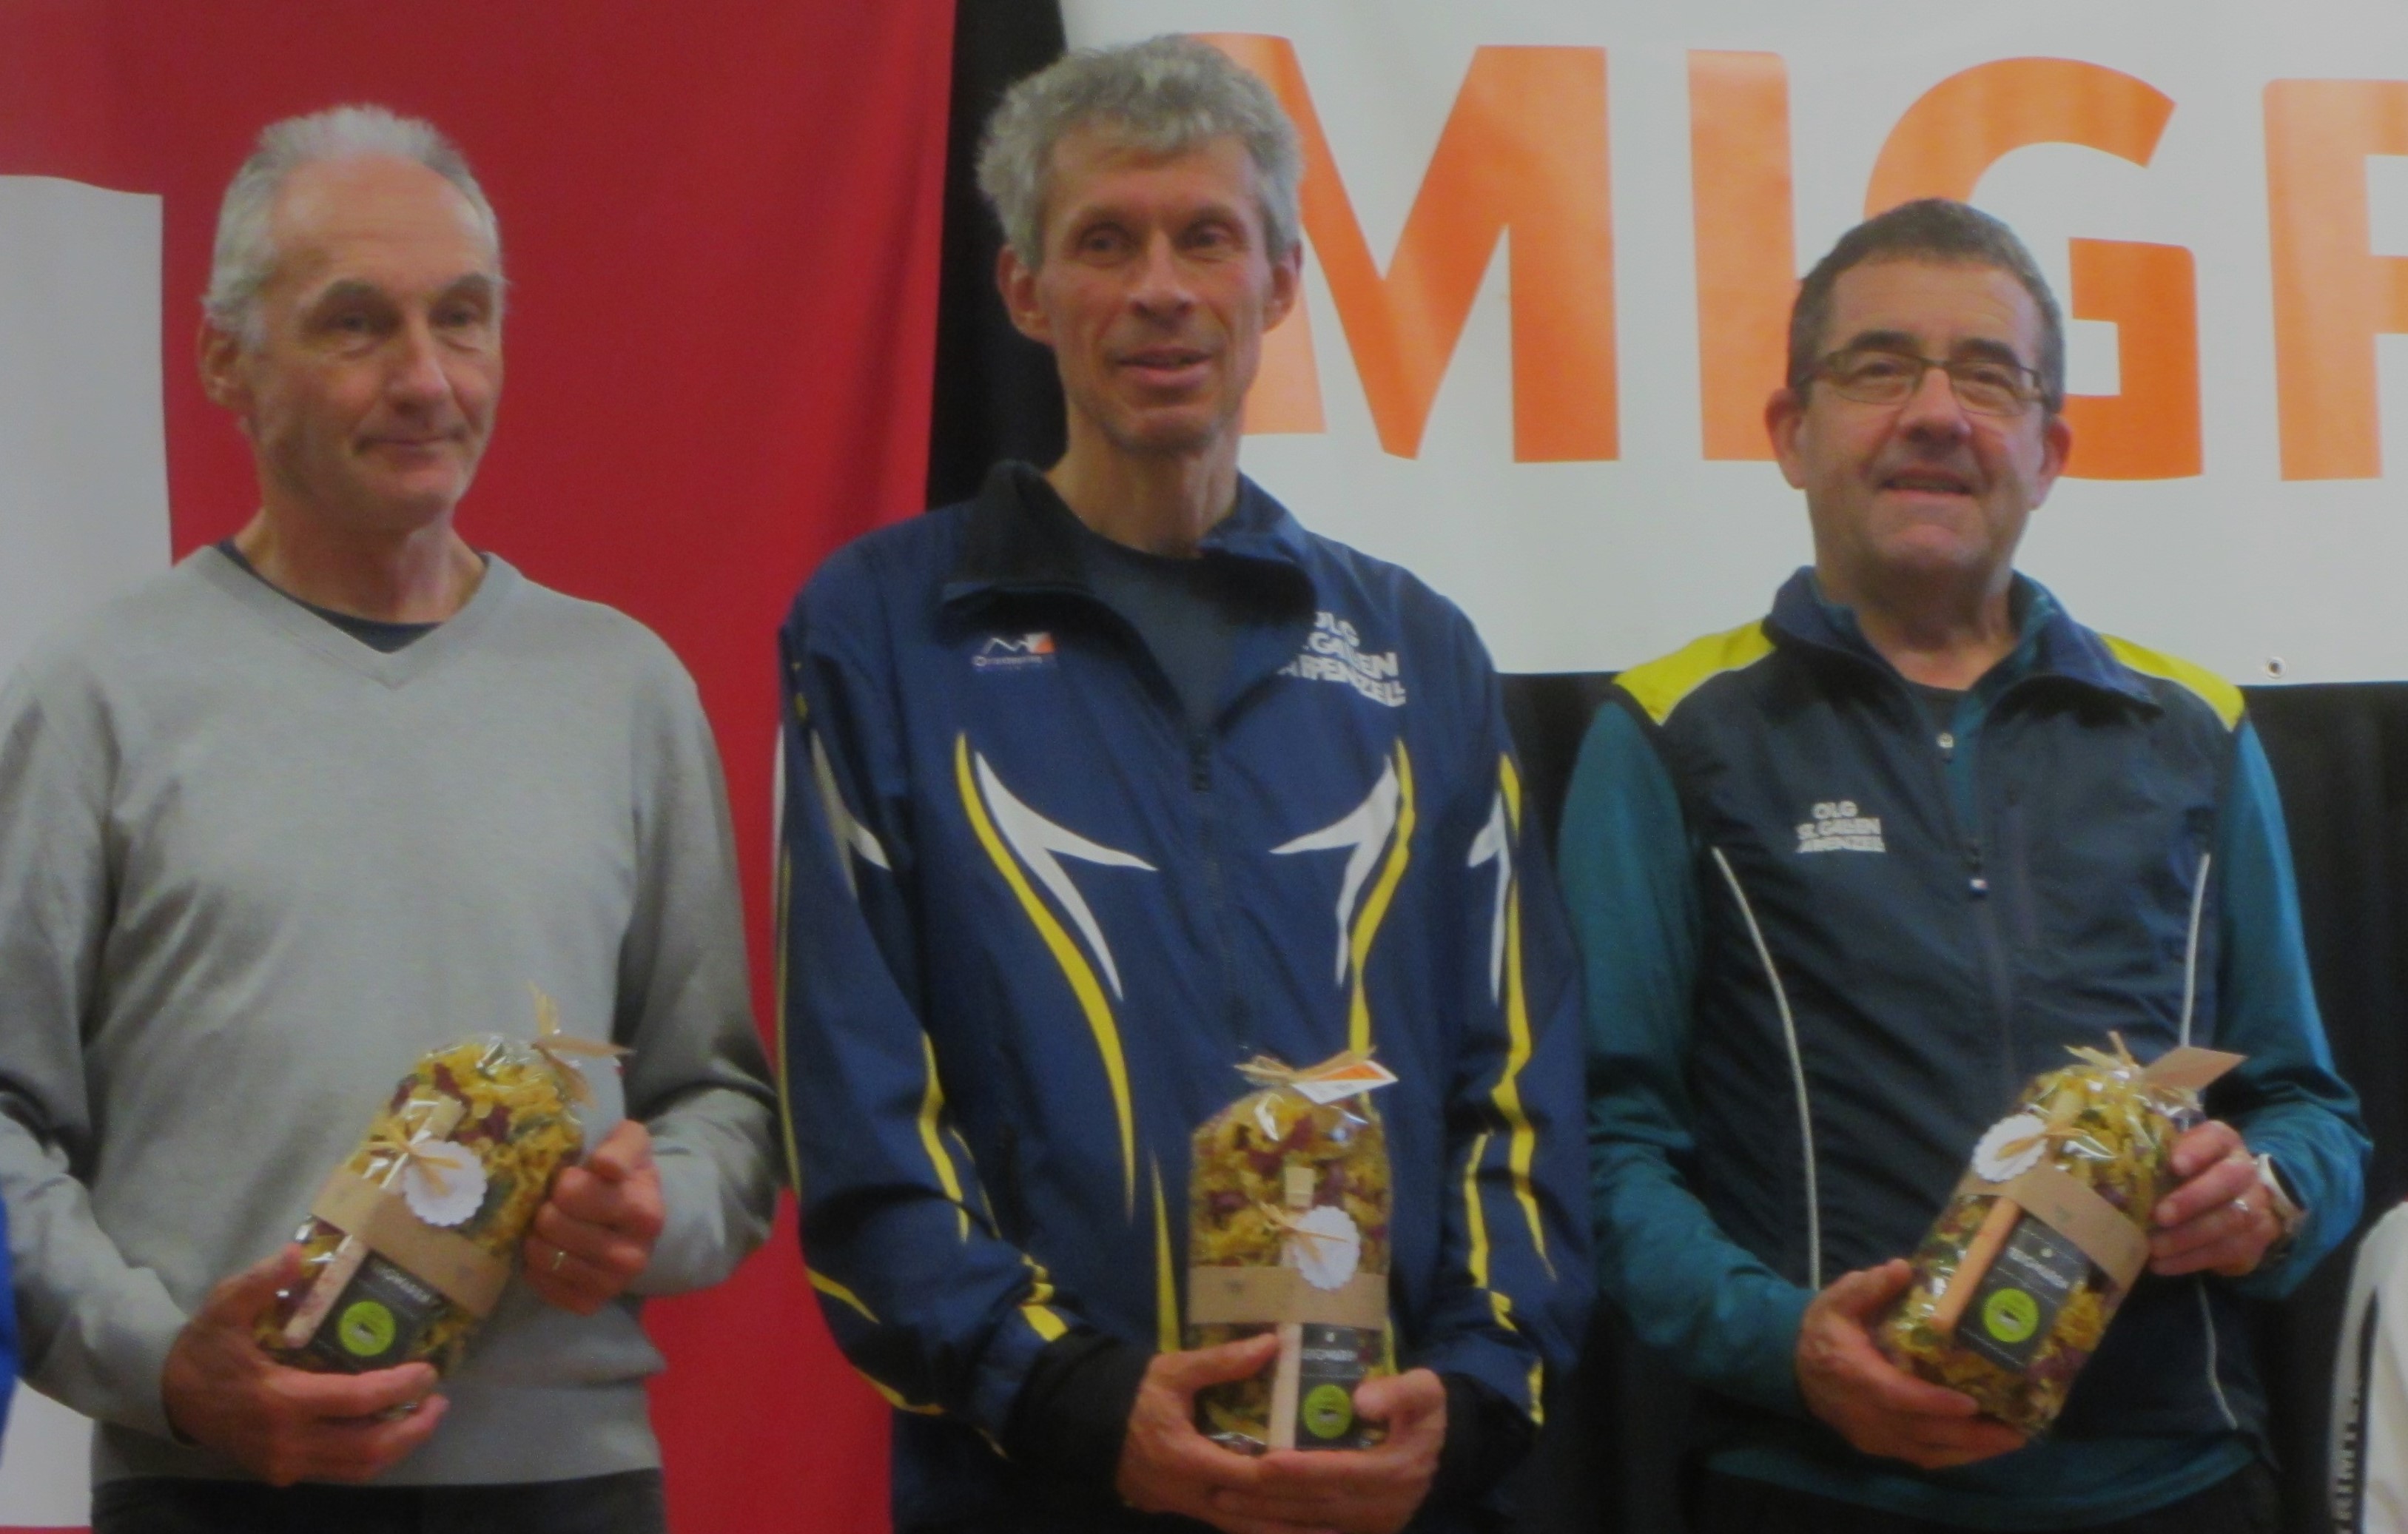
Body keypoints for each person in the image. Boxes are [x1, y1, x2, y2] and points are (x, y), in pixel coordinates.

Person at [778, 35, 1587, 1534]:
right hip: (1036, 1490)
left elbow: (1519, 1086)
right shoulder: (883, 629)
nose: (1159, 288)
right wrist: (1069, 1398)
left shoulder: (1417, 651)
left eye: (1205, 236)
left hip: (1383, 1485)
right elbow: (857, 1110)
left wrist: (1473, 1393)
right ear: (1024, 289)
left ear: (1278, 281)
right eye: (1105, 241)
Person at [0, 105, 779, 1533]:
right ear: (225, 360)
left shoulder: (624, 690)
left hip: (567, 1484)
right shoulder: (96, 694)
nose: (426, 378)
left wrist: (655, 1205)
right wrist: (165, 1364)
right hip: (215, 1480)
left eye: (461, 318)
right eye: (356, 324)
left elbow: (721, 1102)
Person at [1561, 197, 2369, 1533]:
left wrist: (2271, 1195)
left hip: (2174, 1482)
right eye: (1878, 367)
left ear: (2048, 451)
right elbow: (1602, 1139)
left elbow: (2308, 1103)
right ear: (1791, 430)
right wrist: (1781, 1342)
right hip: (1811, 1485)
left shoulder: (2193, 730)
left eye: (1989, 378)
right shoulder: (1667, 734)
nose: (1936, 413)